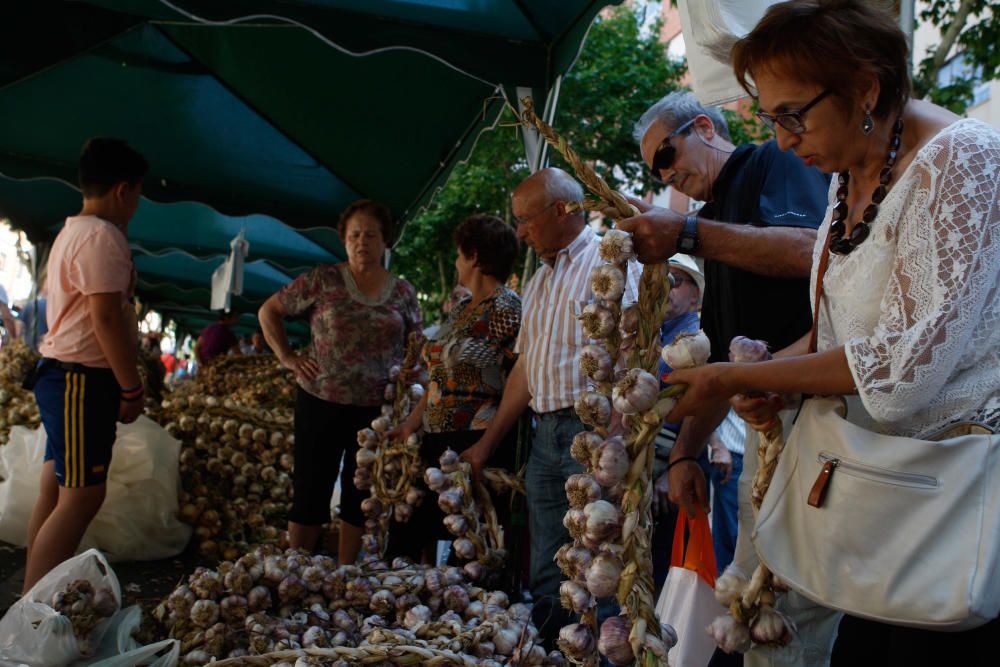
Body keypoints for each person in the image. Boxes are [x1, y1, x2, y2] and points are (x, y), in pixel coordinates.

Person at [663, 1, 1000, 664]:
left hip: (945, 507)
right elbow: (831, 334)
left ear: (865, 89)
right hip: (873, 494)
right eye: (770, 119)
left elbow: (901, 377)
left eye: (794, 114)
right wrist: (770, 387)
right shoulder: (850, 176)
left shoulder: (962, 161)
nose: (783, 139)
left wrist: (743, 375)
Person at [621, 91, 831, 664]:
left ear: (705, 127)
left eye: (666, 155)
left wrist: (687, 234)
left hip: (818, 421)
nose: (666, 174)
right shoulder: (711, 222)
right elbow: (716, 356)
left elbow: (815, 253)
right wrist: (685, 453)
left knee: (789, 614)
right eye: (654, 169)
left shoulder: (773, 161)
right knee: (751, 605)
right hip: (763, 432)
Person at [467, 167, 641, 646]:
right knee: (549, 567)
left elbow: (634, 352)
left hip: (596, 435)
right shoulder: (541, 280)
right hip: (546, 437)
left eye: (526, 219)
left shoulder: (609, 258)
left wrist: (618, 436)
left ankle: (597, 656)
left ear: (561, 209)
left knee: (599, 569)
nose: (519, 231)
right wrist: (487, 444)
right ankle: (554, 653)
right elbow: (526, 370)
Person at [258, 199, 422, 563]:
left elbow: (418, 347)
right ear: (344, 241)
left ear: (384, 241)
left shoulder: (403, 293)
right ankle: (296, 569)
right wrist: (288, 357)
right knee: (310, 489)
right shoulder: (322, 280)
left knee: (359, 494)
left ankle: (348, 574)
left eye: (370, 235)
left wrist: (412, 370)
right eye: (354, 235)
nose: (362, 242)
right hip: (320, 401)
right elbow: (269, 311)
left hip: (376, 410)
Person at [25, 137, 147, 592]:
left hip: (63, 374)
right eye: (137, 194)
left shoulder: (74, 230)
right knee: (82, 495)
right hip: (80, 378)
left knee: (56, 489)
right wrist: (130, 385)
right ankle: (31, 613)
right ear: (122, 189)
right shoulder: (101, 236)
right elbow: (105, 317)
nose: (136, 205)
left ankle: (28, 602)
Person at [386, 214, 521, 563]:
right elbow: (438, 380)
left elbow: (518, 382)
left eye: (459, 254)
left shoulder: (508, 308)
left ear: (474, 256)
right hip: (435, 440)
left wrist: (485, 446)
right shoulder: (461, 310)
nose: (456, 261)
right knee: (405, 536)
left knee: (471, 549)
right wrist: (409, 425)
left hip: (475, 444)